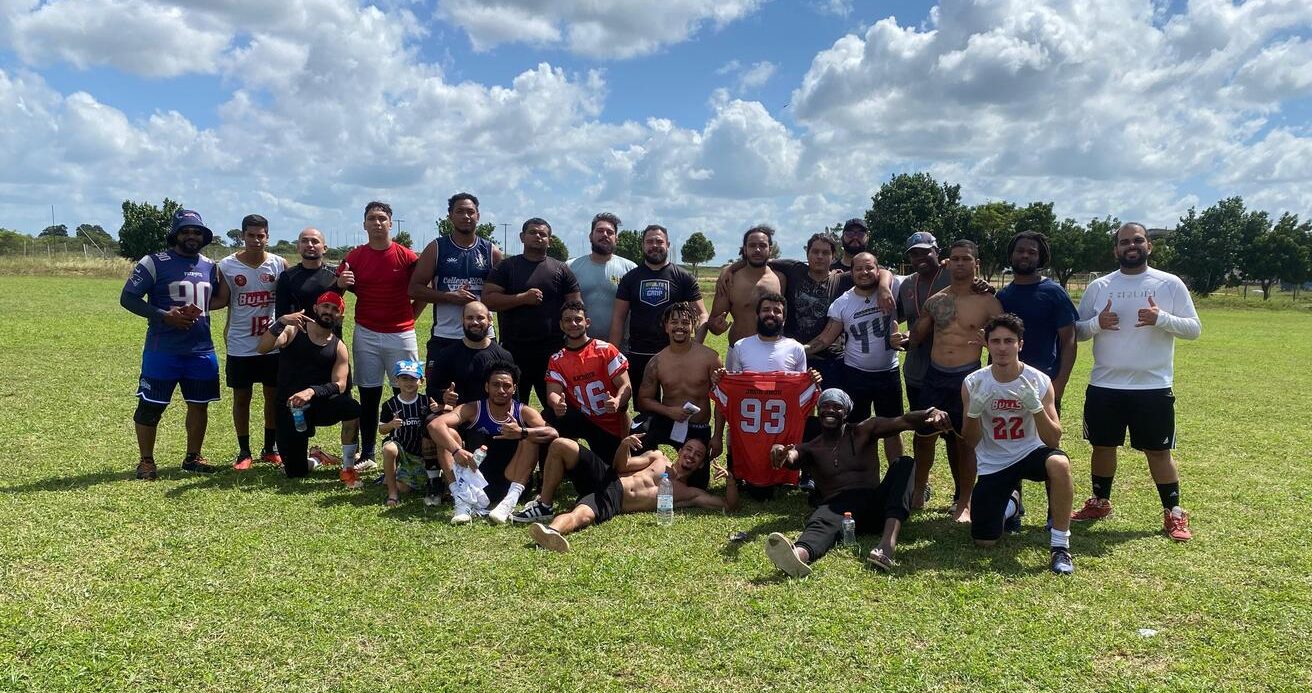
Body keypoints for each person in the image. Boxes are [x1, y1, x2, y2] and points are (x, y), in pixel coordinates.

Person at [1071, 222, 1201, 541]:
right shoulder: (1100, 286)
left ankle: (1173, 512)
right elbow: (1078, 330)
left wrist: (1161, 319)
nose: (1132, 245)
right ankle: (1100, 502)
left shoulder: (1169, 284)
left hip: (1152, 386)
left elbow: (1194, 329)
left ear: (1148, 246)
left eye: (1138, 240)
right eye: (1125, 241)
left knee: (1159, 451)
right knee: (1103, 446)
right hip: (1105, 385)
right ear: (1116, 249)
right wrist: (1097, 323)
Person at [764, 390, 950, 577]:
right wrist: (778, 450)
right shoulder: (811, 448)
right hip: (840, 513)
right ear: (819, 411)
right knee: (821, 520)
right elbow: (791, 456)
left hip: (875, 507)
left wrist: (931, 413)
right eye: (825, 406)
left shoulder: (864, 431)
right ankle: (798, 555)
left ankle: (887, 544)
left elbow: (904, 421)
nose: (830, 410)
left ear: (846, 412)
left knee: (905, 464)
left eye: (837, 407)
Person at [962, 314, 1076, 574]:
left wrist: (1036, 408)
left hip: (1030, 451)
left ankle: (1060, 546)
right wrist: (974, 413)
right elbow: (969, 441)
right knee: (984, 541)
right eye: (996, 341)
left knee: (1059, 464)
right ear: (987, 345)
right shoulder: (974, 382)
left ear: (1020, 344)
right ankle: (1011, 505)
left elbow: (1053, 439)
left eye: (1009, 341)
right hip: (994, 461)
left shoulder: (1039, 380)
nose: (1002, 347)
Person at [120, 209, 229, 479]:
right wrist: (164, 315)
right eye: (185, 231)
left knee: (199, 404)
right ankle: (146, 461)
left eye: (197, 232)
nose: (192, 236)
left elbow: (216, 299)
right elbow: (128, 298)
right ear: (175, 234)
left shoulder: (210, 265)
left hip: (201, 350)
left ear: (204, 236)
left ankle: (193, 457)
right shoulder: (154, 262)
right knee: (151, 406)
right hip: (163, 350)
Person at [900, 239, 1003, 522]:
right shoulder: (936, 301)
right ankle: (918, 491)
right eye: (955, 258)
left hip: (967, 378)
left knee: (965, 442)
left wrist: (990, 350)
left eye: (966, 259)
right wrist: (902, 337)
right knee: (924, 437)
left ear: (976, 264)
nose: (960, 263)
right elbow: (916, 337)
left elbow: (1006, 340)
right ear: (948, 262)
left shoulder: (988, 302)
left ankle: (964, 503)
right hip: (934, 376)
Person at [525, 436, 737, 552]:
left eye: (698, 455)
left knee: (582, 515)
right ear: (680, 451)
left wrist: (730, 480)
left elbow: (728, 505)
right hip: (608, 477)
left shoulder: (689, 493)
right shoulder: (658, 458)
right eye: (688, 449)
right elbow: (621, 466)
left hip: (615, 499)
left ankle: (550, 532)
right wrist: (623, 446)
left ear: (701, 465)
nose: (691, 455)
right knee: (561, 445)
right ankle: (545, 504)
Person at [338, 201, 424, 472]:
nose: (377, 223)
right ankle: (368, 452)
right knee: (369, 393)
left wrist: (411, 317)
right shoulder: (354, 257)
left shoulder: (406, 256)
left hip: (402, 334)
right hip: (366, 333)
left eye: (382, 218)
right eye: (372, 218)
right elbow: (341, 288)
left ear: (391, 223)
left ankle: (408, 450)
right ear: (364, 224)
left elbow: (423, 289)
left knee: (406, 390)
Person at [804, 252, 905, 467]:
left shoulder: (892, 287)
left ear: (878, 269)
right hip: (856, 373)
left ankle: (897, 476)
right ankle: (862, 476)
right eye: (858, 269)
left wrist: (884, 286)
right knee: (857, 429)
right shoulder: (842, 303)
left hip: (888, 372)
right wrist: (796, 350)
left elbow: (894, 276)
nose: (864, 272)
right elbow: (825, 338)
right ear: (851, 273)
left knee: (892, 428)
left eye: (869, 268)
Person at [427, 362, 558, 524]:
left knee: (531, 437)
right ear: (487, 387)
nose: (501, 390)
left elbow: (552, 433)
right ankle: (461, 500)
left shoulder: (523, 411)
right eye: (496, 385)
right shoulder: (473, 409)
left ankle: (509, 502)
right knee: (448, 434)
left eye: (506, 386)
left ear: (514, 389)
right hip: (475, 482)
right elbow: (435, 425)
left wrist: (522, 432)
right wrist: (456, 451)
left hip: (512, 478)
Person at [257, 291, 361, 483]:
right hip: (290, 408)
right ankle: (317, 458)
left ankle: (348, 467)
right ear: (315, 308)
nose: (329, 311)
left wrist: (311, 391)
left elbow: (340, 384)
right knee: (295, 472)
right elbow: (263, 348)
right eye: (325, 306)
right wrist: (281, 322)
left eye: (335, 309)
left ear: (340, 317)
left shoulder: (339, 347)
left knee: (352, 407)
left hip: (319, 405)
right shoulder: (293, 331)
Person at [481, 217, 581, 405]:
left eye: (543, 234)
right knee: (513, 406)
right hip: (514, 350)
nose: (538, 237)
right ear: (522, 237)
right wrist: (521, 298)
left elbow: (576, 306)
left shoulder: (561, 269)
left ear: (550, 241)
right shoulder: (506, 267)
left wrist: (573, 339)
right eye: (532, 232)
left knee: (558, 407)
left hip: (552, 351)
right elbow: (488, 300)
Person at [217, 214, 287, 470]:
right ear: (242, 236)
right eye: (251, 235)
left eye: (261, 236)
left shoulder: (279, 264)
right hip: (240, 343)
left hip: (271, 343)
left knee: (273, 396)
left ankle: (270, 448)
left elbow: (291, 296)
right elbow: (221, 300)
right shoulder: (227, 266)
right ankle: (244, 451)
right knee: (242, 397)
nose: (256, 240)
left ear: (267, 237)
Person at [409, 192, 503, 379]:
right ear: (450, 216)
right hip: (445, 336)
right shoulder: (436, 248)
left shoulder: (491, 252)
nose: (466, 216)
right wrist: (448, 297)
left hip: (483, 336)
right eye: (460, 211)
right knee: (438, 392)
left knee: (484, 391)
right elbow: (414, 289)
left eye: (470, 212)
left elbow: (500, 296)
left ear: (478, 216)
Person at [610, 224, 707, 395]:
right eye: (649, 242)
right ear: (642, 245)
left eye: (659, 241)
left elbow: (702, 314)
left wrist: (695, 347)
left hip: (675, 352)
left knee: (676, 402)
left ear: (668, 244)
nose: (654, 245)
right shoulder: (630, 278)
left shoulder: (683, 277)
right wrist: (612, 355)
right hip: (639, 352)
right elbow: (618, 318)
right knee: (645, 404)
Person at [635, 302, 723, 490]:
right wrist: (669, 411)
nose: (679, 327)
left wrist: (717, 436)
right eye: (674, 322)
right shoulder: (657, 361)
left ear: (693, 325)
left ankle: (686, 468)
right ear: (666, 327)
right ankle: (643, 470)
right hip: (668, 421)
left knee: (697, 485)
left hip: (696, 427)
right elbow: (643, 400)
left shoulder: (710, 358)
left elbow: (723, 400)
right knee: (639, 426)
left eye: (685, 322)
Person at [544, 300, 631, 468]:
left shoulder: (606, 350)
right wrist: (557, 403)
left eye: (578, 319)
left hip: (608, 422)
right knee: (548, 416)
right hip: (582, 417)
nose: (573, 324)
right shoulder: (557, 359)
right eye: (568, 320)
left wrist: (617, 400)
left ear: (587, 322)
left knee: (614, 469)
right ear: (561, 325)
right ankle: (549, 468)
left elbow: (625, 385)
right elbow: (552, 392)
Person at [996, 231, 1078, 409]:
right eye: (1020, 251)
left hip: (1042, 383)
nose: (1025, 255)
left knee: (1044, 429)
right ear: (1011, 255)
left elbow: (1069, 340)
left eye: (1032, 252)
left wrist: (1060, 384)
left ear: (1040, 258)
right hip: (1004, 383)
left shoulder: (1054, 292)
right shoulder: (1002, 296)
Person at [701, 226, 784, 346]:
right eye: (752, 245)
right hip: (739, 350)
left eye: (762, 245)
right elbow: (713, 321)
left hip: (773, 350)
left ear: (770, 249)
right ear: (745, 249)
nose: (757, 250)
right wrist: (717, 326)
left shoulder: (780, 279)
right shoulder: (730, 280)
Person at [426, 301, 514, 406]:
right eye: (469, 318)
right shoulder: (447, 355)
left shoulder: (503, 356)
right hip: (459, 413)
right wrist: (443, 396)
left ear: (490, 320)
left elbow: (514, 396)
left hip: (492, 414)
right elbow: (431, 390)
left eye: (480, 318)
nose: (475, 322)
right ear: (462, 320)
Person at [569, 212, 636, 347]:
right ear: (590, 236)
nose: (605, 235)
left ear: (616, 238)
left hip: (619, 348)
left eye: (610, 232)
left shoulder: (630, 269)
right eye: (600, 231)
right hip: (579, 347)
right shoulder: (571, 267)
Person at [379, 360, 440, 506]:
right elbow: (381, 429)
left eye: (413, 379)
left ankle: (391, 477)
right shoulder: (390, 405)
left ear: (421, 381)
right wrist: (391, 424)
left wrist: (438, 409)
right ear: (396, 381)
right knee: (389, 448)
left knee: (408, 488)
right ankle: (392, 493)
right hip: (401, 449)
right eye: (404, 378)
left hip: (422, 452)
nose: (408, 382)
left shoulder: (426, 402)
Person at [276, 227, 343, 329]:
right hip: (298, 334)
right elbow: (281, 315)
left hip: (329, 334)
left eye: (315, 241)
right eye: (304, 241)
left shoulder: (337, 275)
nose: (309, 245)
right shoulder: (287, 276)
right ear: (298, 247)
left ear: (325, 248)